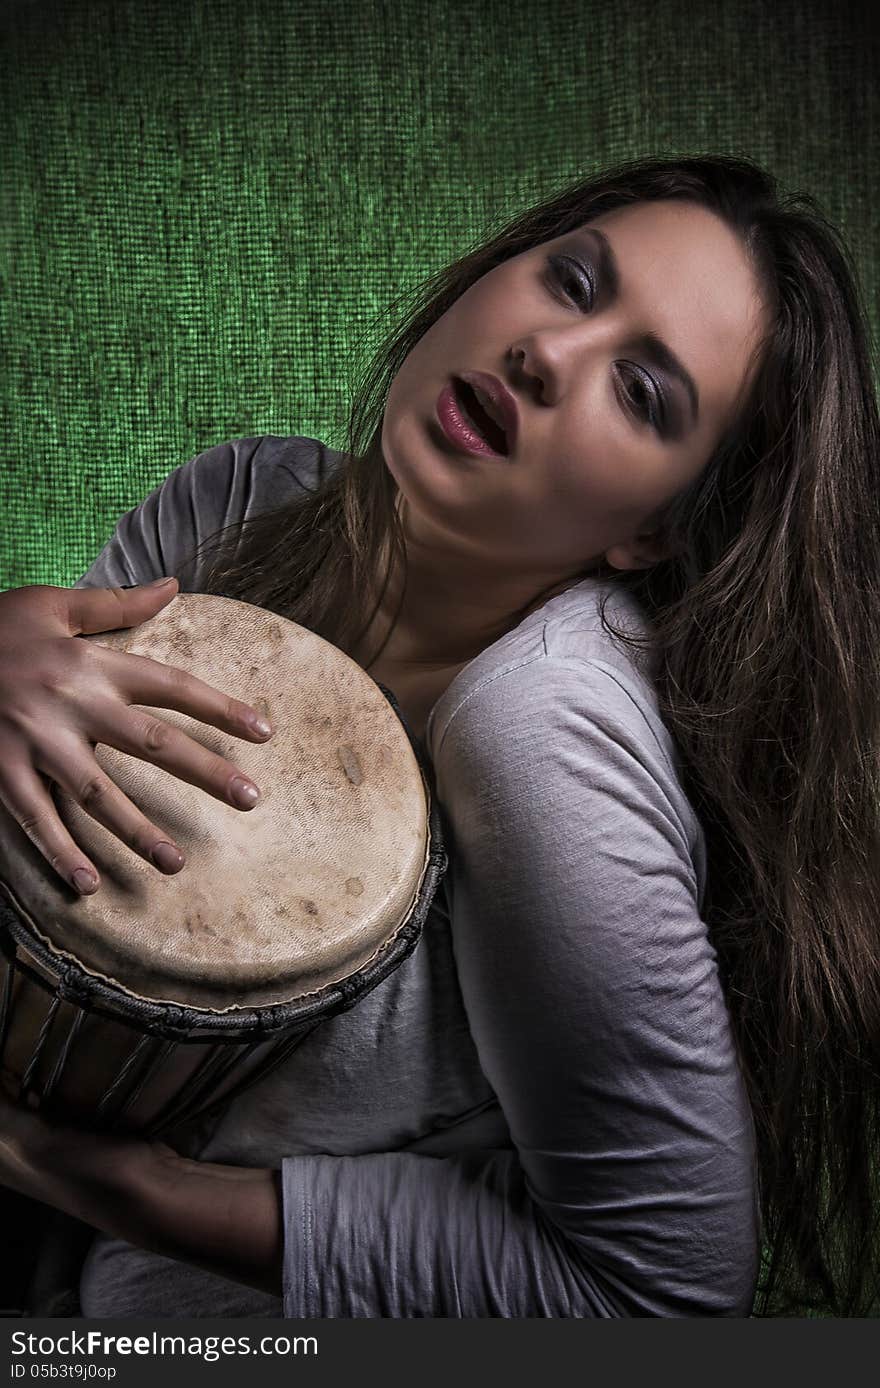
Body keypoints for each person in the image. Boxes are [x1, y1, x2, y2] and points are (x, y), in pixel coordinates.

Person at [1, 152, 878, 1318]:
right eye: (571, 281)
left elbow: (662, 1291)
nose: (548, 354)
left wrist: (126, 1188)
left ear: (653, 532)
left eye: (643, 392)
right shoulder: (230, 510)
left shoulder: (543, 733)